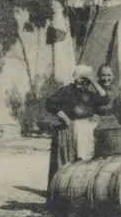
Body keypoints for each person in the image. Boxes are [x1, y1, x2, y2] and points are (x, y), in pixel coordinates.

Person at [45, 65, 105, 194]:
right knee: (69, 163)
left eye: (86, 79)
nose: (83, 82)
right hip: (71, 130)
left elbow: (105, 99)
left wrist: (93, 81)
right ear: (75, 78)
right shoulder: (67, 91)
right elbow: (50, 103)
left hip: (87, 130)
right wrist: (64, 117)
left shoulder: (88, 93)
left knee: (87, 161)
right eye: (81, 78)